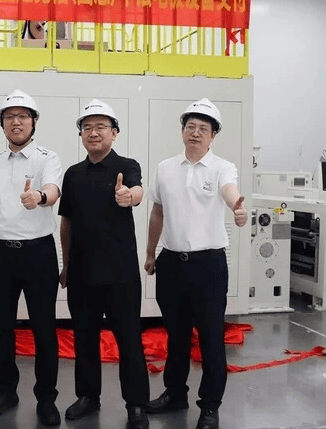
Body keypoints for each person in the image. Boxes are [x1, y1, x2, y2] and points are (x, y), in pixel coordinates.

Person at [144, 98, 248, 429]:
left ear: (213, 135)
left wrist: (236, 207)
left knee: (211, 338)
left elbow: (230, 191)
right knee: (175, 335)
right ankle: (175, 393)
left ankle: (210, 406)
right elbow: (157, 211)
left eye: (204, 128)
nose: (196, 133)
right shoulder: (165, 168)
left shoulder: (222, 168)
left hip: (208, 266)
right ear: (182, 131)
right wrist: (150, 253)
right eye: (191, 126)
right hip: (171, 263)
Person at [58, 99, 150, 428]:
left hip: (120, 274)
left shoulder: (127, 165)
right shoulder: (73, 174)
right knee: (84, 339)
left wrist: (129, 196)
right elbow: (66, 222)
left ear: (114, 133)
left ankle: (136, 404)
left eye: (100, 127)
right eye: (87, 128)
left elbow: (137, 191)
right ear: (81, 135)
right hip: (81, 273)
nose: (93, 133)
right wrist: (66, 264)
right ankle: (87, 396)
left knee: (129, 340)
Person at [0, 90, 62, 426]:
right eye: (9, 117)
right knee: (0, 328)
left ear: (34, 122)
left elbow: (53, 191)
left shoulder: (46, 158)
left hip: (38, 253)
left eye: (23, 116)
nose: (16, 122)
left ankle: (47, 398)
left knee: (44, 329)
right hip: (0, 254)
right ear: (2, 124)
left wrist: (38, 196)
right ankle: (6, 391)